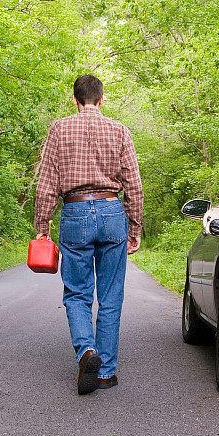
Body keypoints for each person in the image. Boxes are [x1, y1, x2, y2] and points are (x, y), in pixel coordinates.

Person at [34, 74, 143, 395]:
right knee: (111, 296)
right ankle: (106, 372)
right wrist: (134, 228)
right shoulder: (120, 130)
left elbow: (45, 185)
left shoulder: (59, 129)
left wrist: (43, 228)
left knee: (77, 293)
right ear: (102, 99)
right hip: (112, 213)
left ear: (75, 100)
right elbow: (134, 186)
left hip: (75, 213)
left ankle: (86, 352)